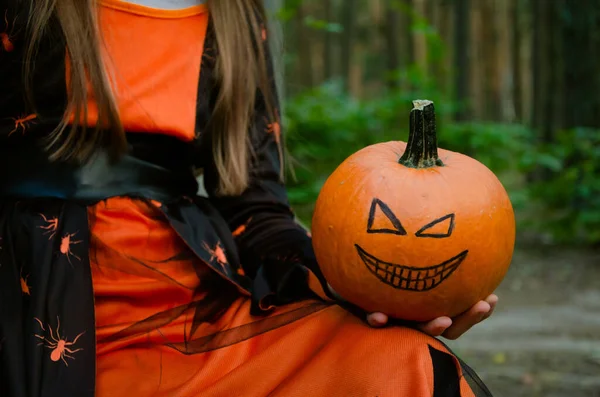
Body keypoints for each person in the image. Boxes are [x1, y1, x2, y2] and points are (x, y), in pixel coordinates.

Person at [0, 0, 497, 396]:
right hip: (37, 304)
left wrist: (365, 286)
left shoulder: (235, 15)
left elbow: (254, 206)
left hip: (198, 311)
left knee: (403, 365)